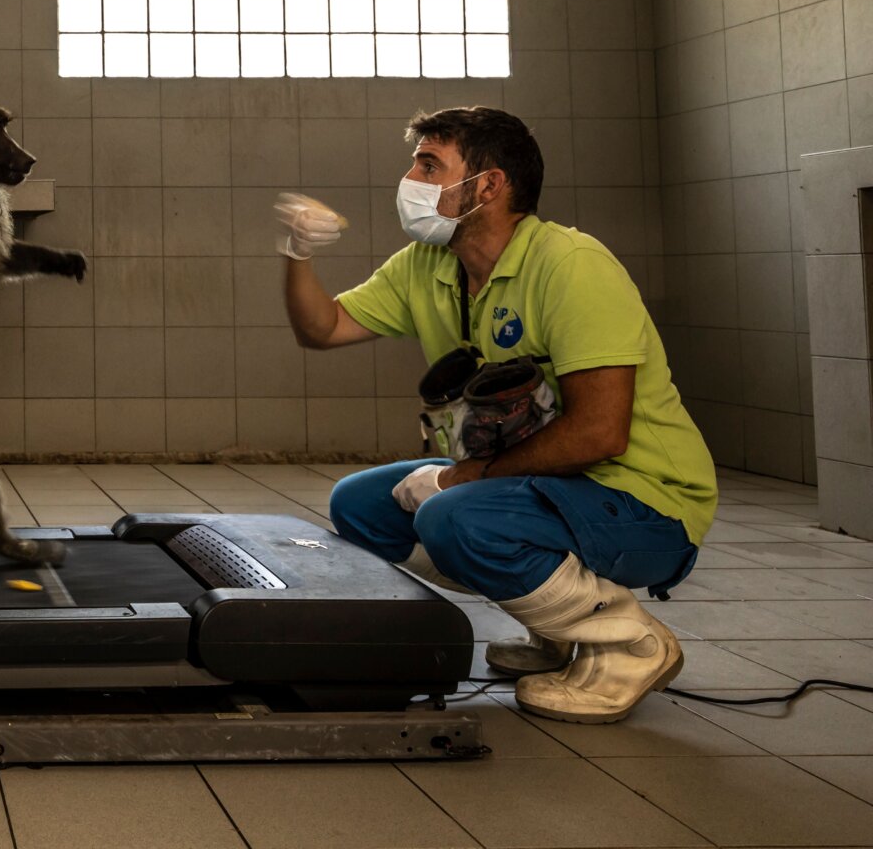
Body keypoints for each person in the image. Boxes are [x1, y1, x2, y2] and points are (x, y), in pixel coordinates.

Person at [275, 106, 717, 724]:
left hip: (643, 501)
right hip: (544, 485)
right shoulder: (429, 266)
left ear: (488, 185)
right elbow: (323, 329)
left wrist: (461, 477)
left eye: (430, 164)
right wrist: (298, 254)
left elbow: (600, 432)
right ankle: (560, 632)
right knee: (363, 504)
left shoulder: (571, 264)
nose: (411, 178)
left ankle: (630, 646)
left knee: (458, 516)